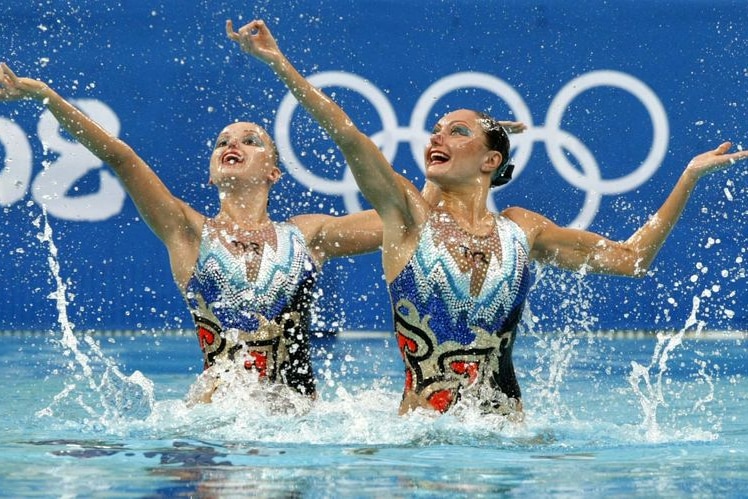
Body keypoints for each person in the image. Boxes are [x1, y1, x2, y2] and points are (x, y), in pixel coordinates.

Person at [226, 19, 748, 417]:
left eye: (456, 132)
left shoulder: (523, 229)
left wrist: (689, 176)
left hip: (507, 444)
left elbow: (634, 259)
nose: (436, 138)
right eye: (435, 130)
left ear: (491, 160)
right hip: (419, 446)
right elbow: (348, 136)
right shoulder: (408, 218)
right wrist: (279, 63)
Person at [0, 62, 384, 406]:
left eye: (251, 141)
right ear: (212, 174)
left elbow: (403, 221)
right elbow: (120, 156)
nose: (233, 144)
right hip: (214, 426)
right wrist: (46, 96)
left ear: (274, 172)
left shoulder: (307, 236)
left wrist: (442, 189)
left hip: (297, 426)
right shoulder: (188, 232)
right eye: (222, 142)